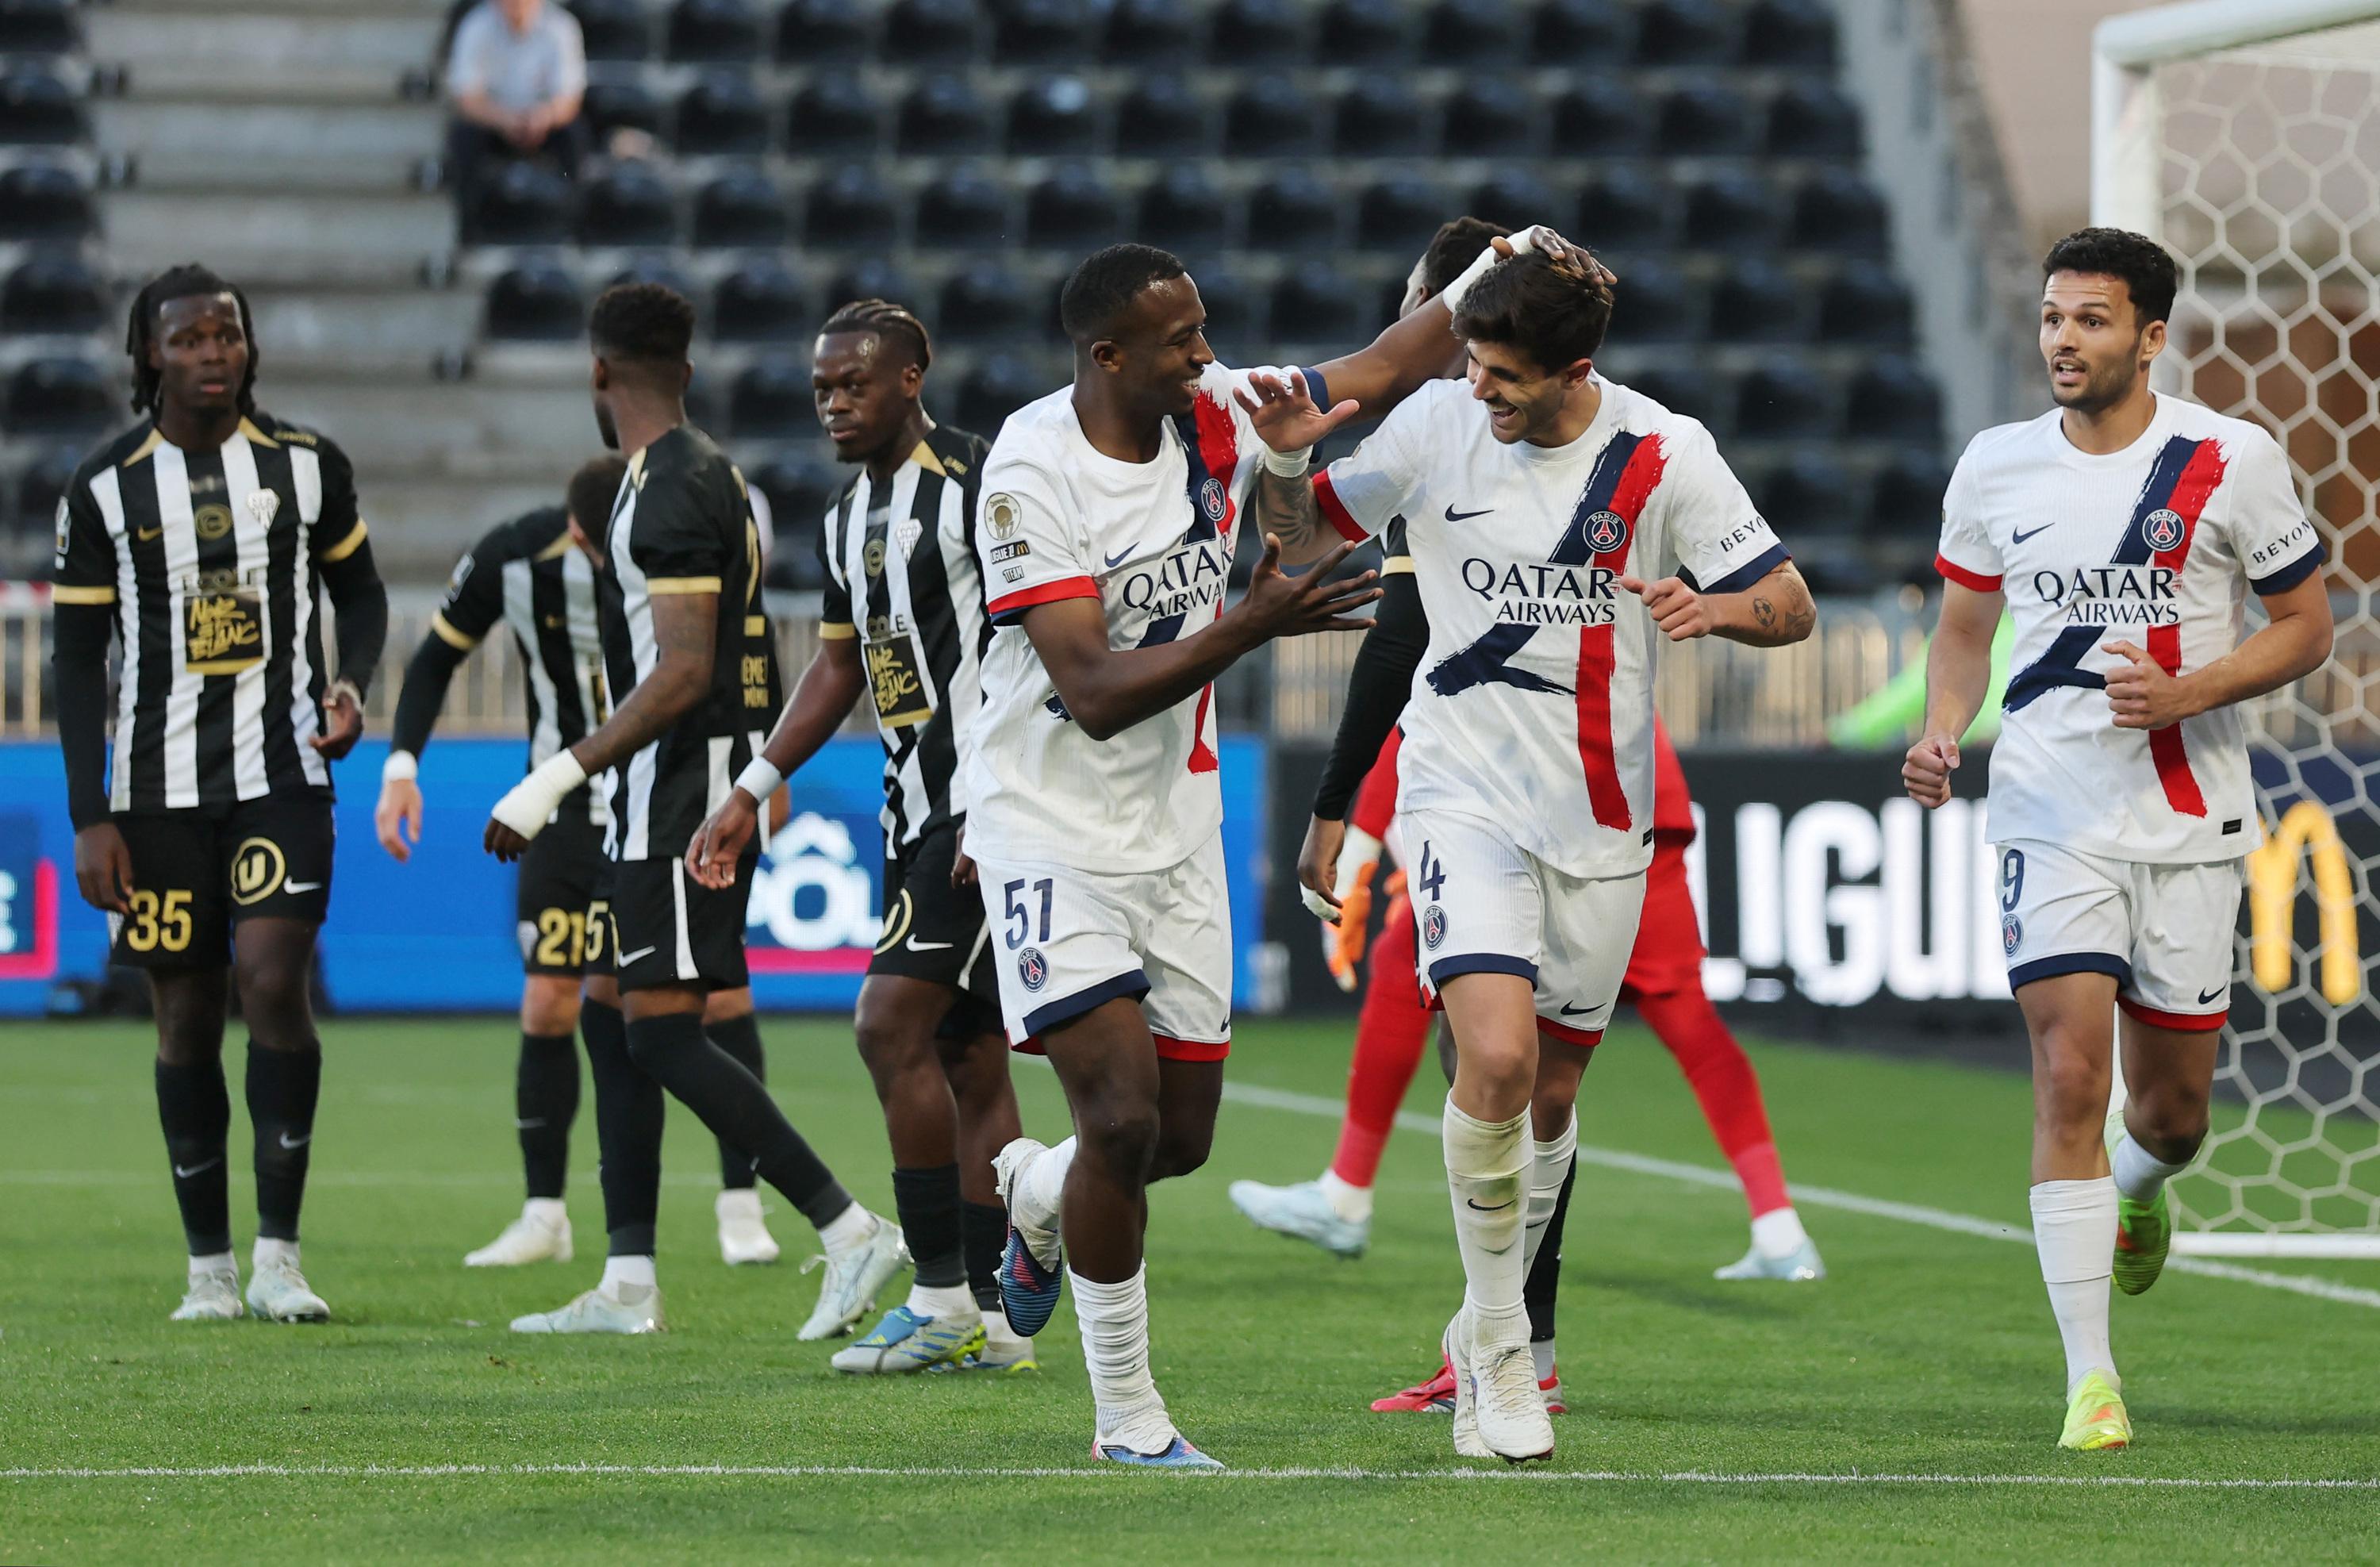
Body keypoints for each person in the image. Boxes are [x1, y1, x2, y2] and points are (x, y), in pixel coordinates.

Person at [965, 232, 1565, 1468]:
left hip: (1177, 828)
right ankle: (1129, 1419)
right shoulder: (1030, 470)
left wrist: (1505, 259)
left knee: (1175, 1137)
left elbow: (1388, 363)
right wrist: (1251, 624)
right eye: (1181, 339)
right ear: (1107, 354)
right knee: (1119, 1116)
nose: (1207, 354)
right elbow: (1091, 689)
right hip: (1047, 820)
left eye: (1204, 329)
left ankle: (1036, 1192)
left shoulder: (1219, 413)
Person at [1251, 246, 1814, 1461]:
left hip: (1602, 826)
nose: (1480, 388)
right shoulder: (1439, 425)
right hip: (1460, 800)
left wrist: (1716, 609)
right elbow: (1297, 541)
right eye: (1472, 363)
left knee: (1551, 1099)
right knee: (1495, 1058)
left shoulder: (1665, 451)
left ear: (1575, 367)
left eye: (1503, 374)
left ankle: (1484, 1327)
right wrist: (1290, 459)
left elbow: (1791, 601)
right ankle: (1504, 1352)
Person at [1905, 227, 2330, 1452]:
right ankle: (2091, 1378)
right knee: (2070, 1074)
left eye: (2091, 319)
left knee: (2174, 1113)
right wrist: (1942, 731)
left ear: (2150, 337)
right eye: (2053, 316)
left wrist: (2189, 691)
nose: (2063, 339)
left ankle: (2141, 1187)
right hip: (2049, 810)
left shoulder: (2229, 458)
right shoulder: (1995, 465)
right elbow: (1964, 628)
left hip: (2190, 815)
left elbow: (2306, 624)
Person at [482, 282, 904, 1337]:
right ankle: (628, 1281)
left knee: (664, 1032)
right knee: (614, 1011)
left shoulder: (668, 484)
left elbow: (683, 670)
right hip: (667, 789)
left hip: (680, 792)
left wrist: (550, 779)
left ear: (598, 372)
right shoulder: (701, 476)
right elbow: (743, 647)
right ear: (688, 368)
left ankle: (848, 1225)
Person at [687, 299, 1037, 1375]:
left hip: (983, 807)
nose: (834, 403)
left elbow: (1040, 640)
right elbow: (841, 665)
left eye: (855, 384)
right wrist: (752, 784)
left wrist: (1001, 796)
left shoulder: (981, 484)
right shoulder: (847, 517)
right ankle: (997, 1318)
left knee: (887, 1024)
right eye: (822, 388)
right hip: (910, 807)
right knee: (966, 1051)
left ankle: (938, 1294)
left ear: (912, 378)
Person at [52, 264, 389, 1323]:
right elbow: (74, 660)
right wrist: (90, 814)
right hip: (154, 792)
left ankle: (280, 1257)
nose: (212, 353)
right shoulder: (104, 486)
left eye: (227, 334)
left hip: (284, 773)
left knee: (271, 978)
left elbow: (362, 593)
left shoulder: (307, 465)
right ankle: (209, 1268)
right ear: (149, 353)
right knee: (186, 1012)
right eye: (189, 337)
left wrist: (350, 684)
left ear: (249, 346)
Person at [376, 455, 782, 1272]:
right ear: (579, 534)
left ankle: (742, 1203)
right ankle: (544, 1214)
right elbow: (435, 656)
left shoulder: (681, 549)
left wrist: (768, 774)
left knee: (717, 995)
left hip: (675, 803)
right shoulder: (513, 556)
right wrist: (401, 767)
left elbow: (749, 646)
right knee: (551, 998)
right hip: (563, 813)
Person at [444, 0, 587, 237]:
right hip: (494, 122)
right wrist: (503, 120)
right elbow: (467, 99)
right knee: (463, 136)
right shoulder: (476, 25)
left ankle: (574, 222)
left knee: (574, 135)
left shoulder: (561, 26)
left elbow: (569, 99)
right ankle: (469, 228)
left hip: (544, 123)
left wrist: (543, 117)